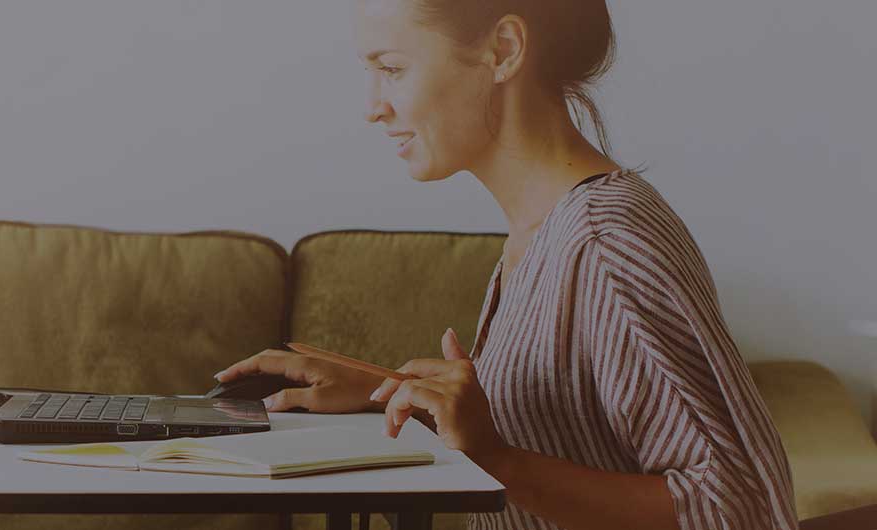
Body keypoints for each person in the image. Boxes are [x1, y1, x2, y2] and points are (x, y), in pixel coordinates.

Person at [213, 1, 798, 528]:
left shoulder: (605, 242)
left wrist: (497, 460)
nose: (373, 107)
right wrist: (391, 394)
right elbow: (566, 440)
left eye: (391, 68)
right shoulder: (540, 230)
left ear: (504, 51)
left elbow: (739, 507)